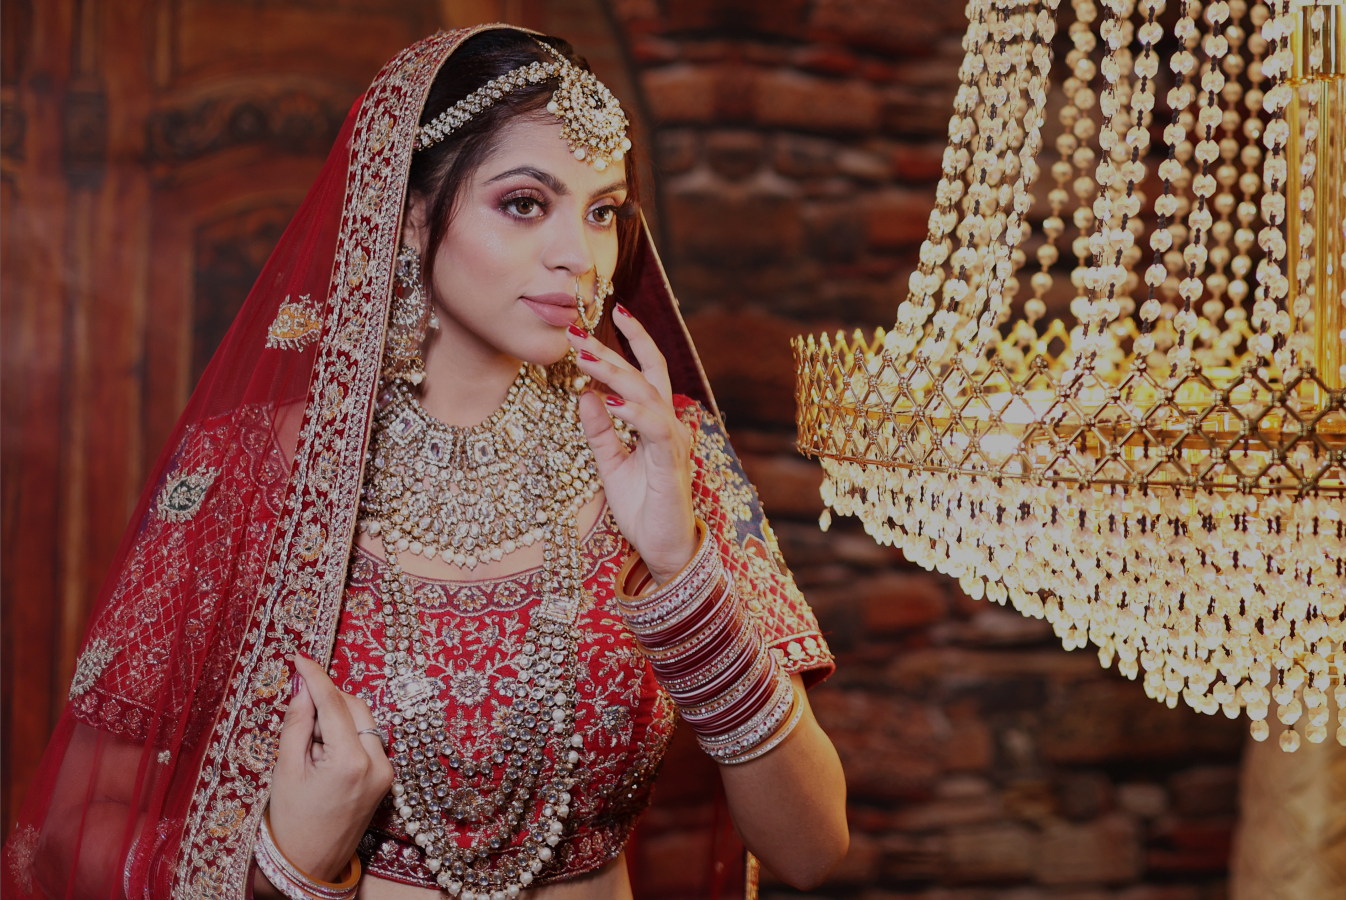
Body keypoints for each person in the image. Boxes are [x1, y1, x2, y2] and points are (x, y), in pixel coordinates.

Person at [4, 25, 848, 900]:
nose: (580, 256)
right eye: (525, 203)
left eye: (602, 211)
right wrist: (280, 866)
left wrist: (679, 569)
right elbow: (71, 829)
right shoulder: (251, 474)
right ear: (407, 216)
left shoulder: (667, 455)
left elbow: (812, 849)